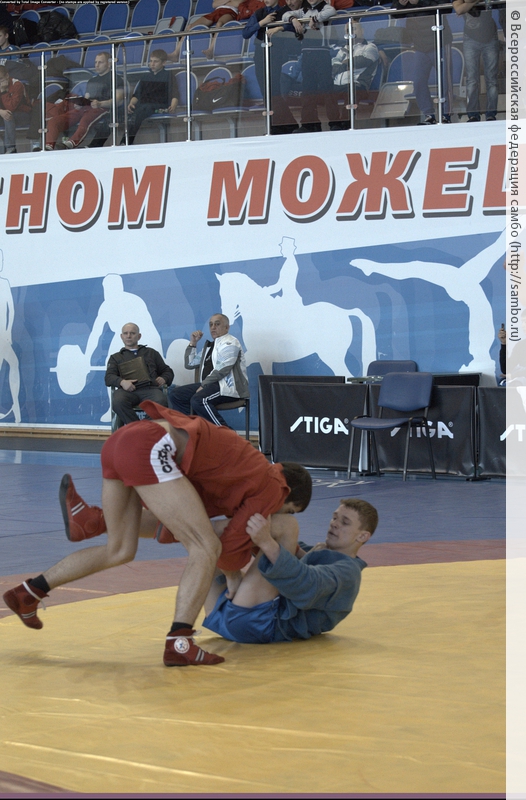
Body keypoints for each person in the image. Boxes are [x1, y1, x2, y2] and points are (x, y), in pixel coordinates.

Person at [3, 404, 312, 667]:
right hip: (150, 445)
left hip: (122, 441)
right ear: (289, 496)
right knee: (206, 547)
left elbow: (175, 517)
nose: (276, 515)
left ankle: (29, 592)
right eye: (288, 511)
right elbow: (227, 550)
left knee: (120, 550)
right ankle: (180, 642)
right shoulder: (275, 485)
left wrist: (200, 543)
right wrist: (236, 574)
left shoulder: (244, 472)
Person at [203, 498, 376, 643]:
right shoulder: (319, 553)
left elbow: (306, 584)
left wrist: (266, 541)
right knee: (207, 547)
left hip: (256, 623)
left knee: (287, 525)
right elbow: (279, 551)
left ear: (362, 536)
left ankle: (205, 526)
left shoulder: (348, 573)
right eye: (334, 517)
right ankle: (201, 528)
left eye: (344, 522)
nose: (334, 524)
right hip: (223, 615)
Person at [168, 313, 249, 428]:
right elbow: (190, 364)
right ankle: (193, 428)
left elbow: (222, 369)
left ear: (227, 327)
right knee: (176, 394)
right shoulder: (210, 347)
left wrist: (204, 385)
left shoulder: (231, 343)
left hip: (228, 387)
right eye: (211, 325)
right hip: (209, 386)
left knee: (199, 400)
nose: (213, 327)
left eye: (217, 324)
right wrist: (193, 343)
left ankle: (227, 433)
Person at [242, 0, 304, 134]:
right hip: (260, 52)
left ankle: (282, 124)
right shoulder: (259, 13)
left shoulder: (285, 12)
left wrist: (282, 26)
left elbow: (294, 28)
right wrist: (262, 23)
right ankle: (285, 124)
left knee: (273, 89)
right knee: (265, 90)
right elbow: (245, 33)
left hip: (276, 52)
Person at [390, 0, 453, 125]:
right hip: (420, 45)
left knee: (445, 80)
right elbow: (395, 13)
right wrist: (401, 4)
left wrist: (420, 1)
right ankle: (429, 114)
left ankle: (446, 115)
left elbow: (446, 7)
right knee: (418, 81)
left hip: (440, 41)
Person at [45, 52, 124, 150]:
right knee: (54, 121)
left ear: (109, 64)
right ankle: (49, 146)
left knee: (85, 120)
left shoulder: (116, 79)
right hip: (86, 107)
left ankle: (70, 143)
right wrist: (80, 104)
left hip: (102, 108)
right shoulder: (92, 81)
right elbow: (87, 97)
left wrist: (100, 103)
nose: (97, 65)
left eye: (100, 62)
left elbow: (118, 100)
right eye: (95, 62)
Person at [281, 0, 339, 133]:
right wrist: (294, 20)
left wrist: (314, 19)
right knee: (307, 89)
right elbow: (285, 15)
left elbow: (332, 11)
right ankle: (309, 123)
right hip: (306, 54)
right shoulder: (303, 11)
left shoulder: (325, 8)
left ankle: (335, 122)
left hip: (322, 53)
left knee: (327, 88)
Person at [106, 322, 174, 425]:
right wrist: (122, 382)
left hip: (150, 389)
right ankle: (137, 428)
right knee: (118, 401)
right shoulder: (115, 357)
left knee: (161, 401)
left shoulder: (151, 353)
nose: (128, 336)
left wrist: (164, 378)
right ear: (121, 336)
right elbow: (109, 377)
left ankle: (142, 429)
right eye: (125, 333)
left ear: (139, 336)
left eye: (132, 333)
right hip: (127, 391)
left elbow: (167, 371)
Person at [452, 0, 499, 122]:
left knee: (491, 79)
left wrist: (467, 5)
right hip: (470, 38)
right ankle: (473, 114)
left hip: (490, 36)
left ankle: (491, 114)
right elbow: (459, 9)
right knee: (472, 79)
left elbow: (463, 7)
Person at [331, 21, 380, 129]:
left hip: (358, 84)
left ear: (362, 31)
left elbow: (362, 61)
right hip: (338, 85)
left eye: (353, 29)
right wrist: (345, 65)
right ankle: (334, 124)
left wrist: (344, 63)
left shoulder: (370, 47)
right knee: (326, 92)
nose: (351, 32)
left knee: (351, 92)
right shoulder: (343, 49)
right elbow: (334, 65)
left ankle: (345, 124)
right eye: (348, 30)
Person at [124, 50, 178, 145]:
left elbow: (174, 94)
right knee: (121, 111)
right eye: (151, 61)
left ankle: (126, 142)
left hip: (159, 105)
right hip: (143, 105)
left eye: (155, 61)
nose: (152, 64)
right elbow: (137, 95)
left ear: (164, 63)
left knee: (141, 111)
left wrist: (173, 106)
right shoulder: (145, 76)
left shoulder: (168, 75)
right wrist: (131, 104)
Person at [169, 0, 243, 63]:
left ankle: (211, 49)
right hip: (216, 11)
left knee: (219, 24)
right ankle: (176, 53)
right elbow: (214, 4)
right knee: (190, 27)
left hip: (231, 12)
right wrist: (229, 1)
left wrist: (222, 2)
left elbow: (237, 4)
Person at [0, 63, 30, 154]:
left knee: (8, 115)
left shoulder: (17, 84)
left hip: (22, 113)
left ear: (7, 75)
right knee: (6, 114)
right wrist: (1, 112)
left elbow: (11, 107)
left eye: (0, 79)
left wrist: (3, 91)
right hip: (2, 113)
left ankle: (10, 148)